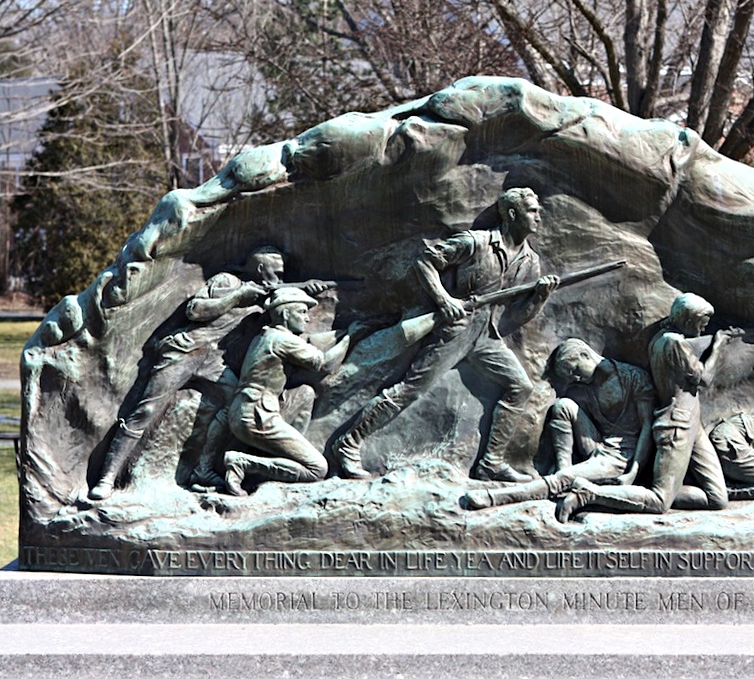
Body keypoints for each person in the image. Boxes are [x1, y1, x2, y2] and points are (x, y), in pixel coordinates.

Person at [328, 187, 559, 481]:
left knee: (520, 387)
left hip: (486, 335)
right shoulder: (477, 243)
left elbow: (516, 317)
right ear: (513, 214)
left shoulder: (530, 262)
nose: (539, 216)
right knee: (409, 389)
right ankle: (347, 444)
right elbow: (425, 261)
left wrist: (540, 297)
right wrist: (444, 300)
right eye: (532, 211)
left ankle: (491, 463)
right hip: (456, 330)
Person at [87, 246, 324, 500]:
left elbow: (282, 295)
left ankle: (203, 471)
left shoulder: (265, 295)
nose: (279, 278)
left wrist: (305, 287)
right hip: (184, 351)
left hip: (213, 361)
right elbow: (195, 310)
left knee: (237, 405)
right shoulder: (227, 281)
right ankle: (107, 478)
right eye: (276, 273)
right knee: (145, 410)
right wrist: (237, 296)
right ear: (260, 269)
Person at [555, 293, 731, 521]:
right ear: (688, 321)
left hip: (691, 421)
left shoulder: (660, 338)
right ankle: (589, 493)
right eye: (701, 324)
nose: (702, 329)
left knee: (717, 498)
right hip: (677, 424)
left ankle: (633, 491)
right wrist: (718, 346)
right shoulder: (673, 343)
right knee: (659, 501)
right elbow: (704, 380)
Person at [464, 338, 654, 512]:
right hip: (598, 445)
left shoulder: (634, 377)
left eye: (576, 371)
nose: (577, 379)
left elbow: (647, 426)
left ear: (585, 355)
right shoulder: (587, 388)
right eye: (572, 377)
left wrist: (633, 471)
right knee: (564, 406)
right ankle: (564, 472)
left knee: (562, 479)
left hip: (621, 457)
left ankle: (494, 498)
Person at [223, 287, 352, 495]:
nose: (307, 319)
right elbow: (325, 364)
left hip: (248, 409)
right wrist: (349, 338)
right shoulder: (282, 340)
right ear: (284, 314)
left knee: (306, 393)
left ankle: (286, 459)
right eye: (302, 312)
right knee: (317, 469)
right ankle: (242, 463)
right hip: (258, 416)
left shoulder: (266, 335)